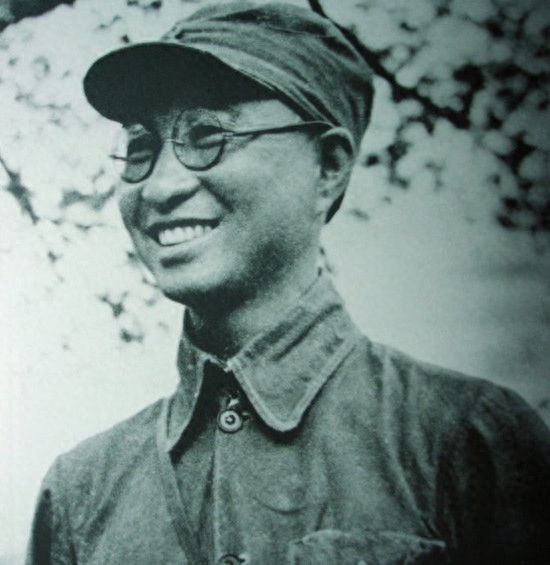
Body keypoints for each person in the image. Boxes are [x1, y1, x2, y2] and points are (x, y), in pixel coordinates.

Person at [26, 2, 550, 564]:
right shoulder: (80, 494)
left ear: (328, 167)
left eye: (209, 135)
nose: (160, 186)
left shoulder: (465, 438)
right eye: (140, 149)